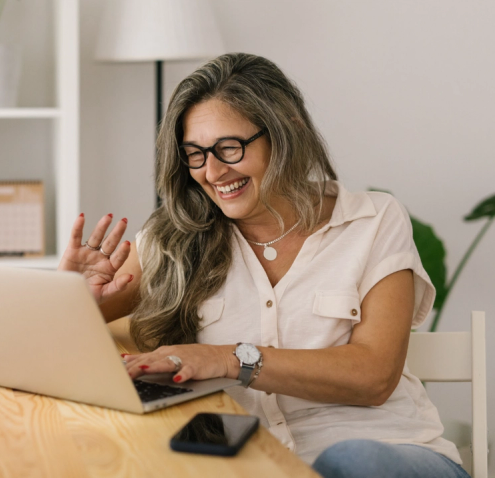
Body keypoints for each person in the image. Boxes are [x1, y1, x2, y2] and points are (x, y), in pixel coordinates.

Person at [58, 53, 469, 478]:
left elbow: (374, 376)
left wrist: (231, 359)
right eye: (195, 154)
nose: (213, 172)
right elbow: (48, 337)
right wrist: (70, 295)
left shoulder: (373, 220)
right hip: (255, 465)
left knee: (351, 462)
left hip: (391, 456)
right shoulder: (173, 242)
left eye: (229, 148)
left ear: (287, 130)